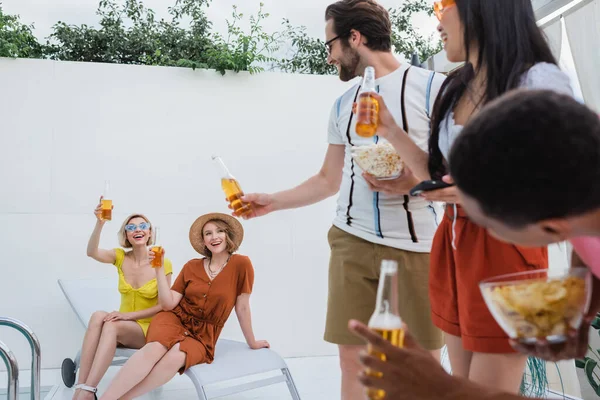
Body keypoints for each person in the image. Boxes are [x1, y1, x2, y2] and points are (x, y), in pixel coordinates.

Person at [364, 0, 573, 392]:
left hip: (508, 248)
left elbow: (563, 180)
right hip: (454, 243)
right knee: (461, 383)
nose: (436, 18)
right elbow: (441, 178)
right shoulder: (456, 85)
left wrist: (484, 192)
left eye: (443, 5)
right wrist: (391, 130)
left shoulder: (536, 80)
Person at [240, 1, 446, 398]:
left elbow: (454, 170)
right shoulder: (342, 104)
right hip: (351, 241)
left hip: (417, 245)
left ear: (355, 37)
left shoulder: (433, 88)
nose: (331, 55)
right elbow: (327, 179)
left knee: (423, 363)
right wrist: (273, 201)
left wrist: (414, 180)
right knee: (352, 360)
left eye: (331, 44)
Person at [349, 89, 600, 400]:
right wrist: (583, 310)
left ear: (549, 227)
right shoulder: (579, 194)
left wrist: (444, 388)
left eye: (492, 227)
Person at [98, 213, 268, 400]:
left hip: (204, 335)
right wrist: (159, 269)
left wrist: (252, 342)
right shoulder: (191, 266)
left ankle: (122, 398)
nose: (214, 237)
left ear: (228, 236)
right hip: (173, 319)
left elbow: (242, 307)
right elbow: (169, 303)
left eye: (219, 231)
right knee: (155, 348)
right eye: (208, 233)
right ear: (203, 241)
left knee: (177, 356)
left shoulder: (241, 264)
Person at [74, 200, 173, 400]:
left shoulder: (161, 261)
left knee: (113, 326)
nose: (138, 229)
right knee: (98, 316)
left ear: (150, 233)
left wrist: (126, 316)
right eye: (131, 227)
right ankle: (81, 388)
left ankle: (90, 390)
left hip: (149, 329)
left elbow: (164, 305)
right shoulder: (120, 257)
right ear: (126, 234)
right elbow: (91, 252)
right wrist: (100, 223)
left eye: (143, 226)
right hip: (125, 324)